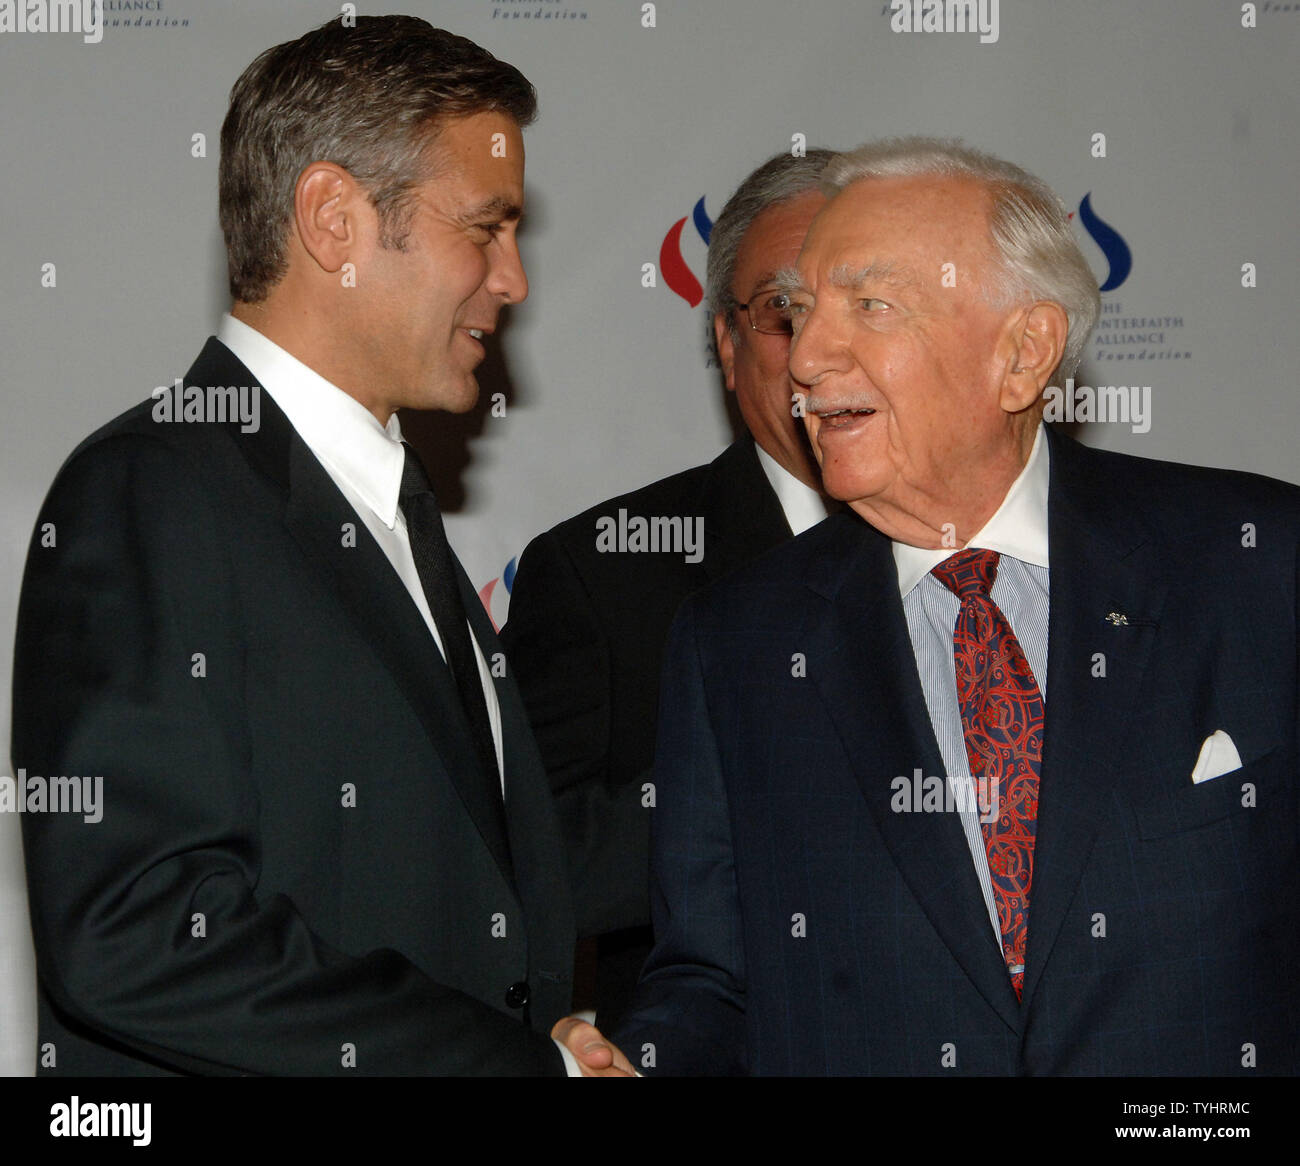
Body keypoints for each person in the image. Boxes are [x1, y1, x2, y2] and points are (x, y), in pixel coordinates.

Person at [558, 137, 1300, 1076]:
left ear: (1024, 353)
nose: (809, 359)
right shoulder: (739, 643)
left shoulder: (1255, 563)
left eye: (869, 305)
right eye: (797, 308)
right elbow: (716, 984)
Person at [12, 15, 580, 1075]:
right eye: (485, 227)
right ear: (332, 218)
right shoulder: (152, 488)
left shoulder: (380, 502)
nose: (513, 279)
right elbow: (139, 930)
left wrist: (538, 1037)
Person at [502, 149, 836, 1031]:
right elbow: (528, 871)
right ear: (727, 345)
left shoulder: (1004, 557)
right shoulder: (605, 573)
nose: (825, 349)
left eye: (866, 305)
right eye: (785, 312)